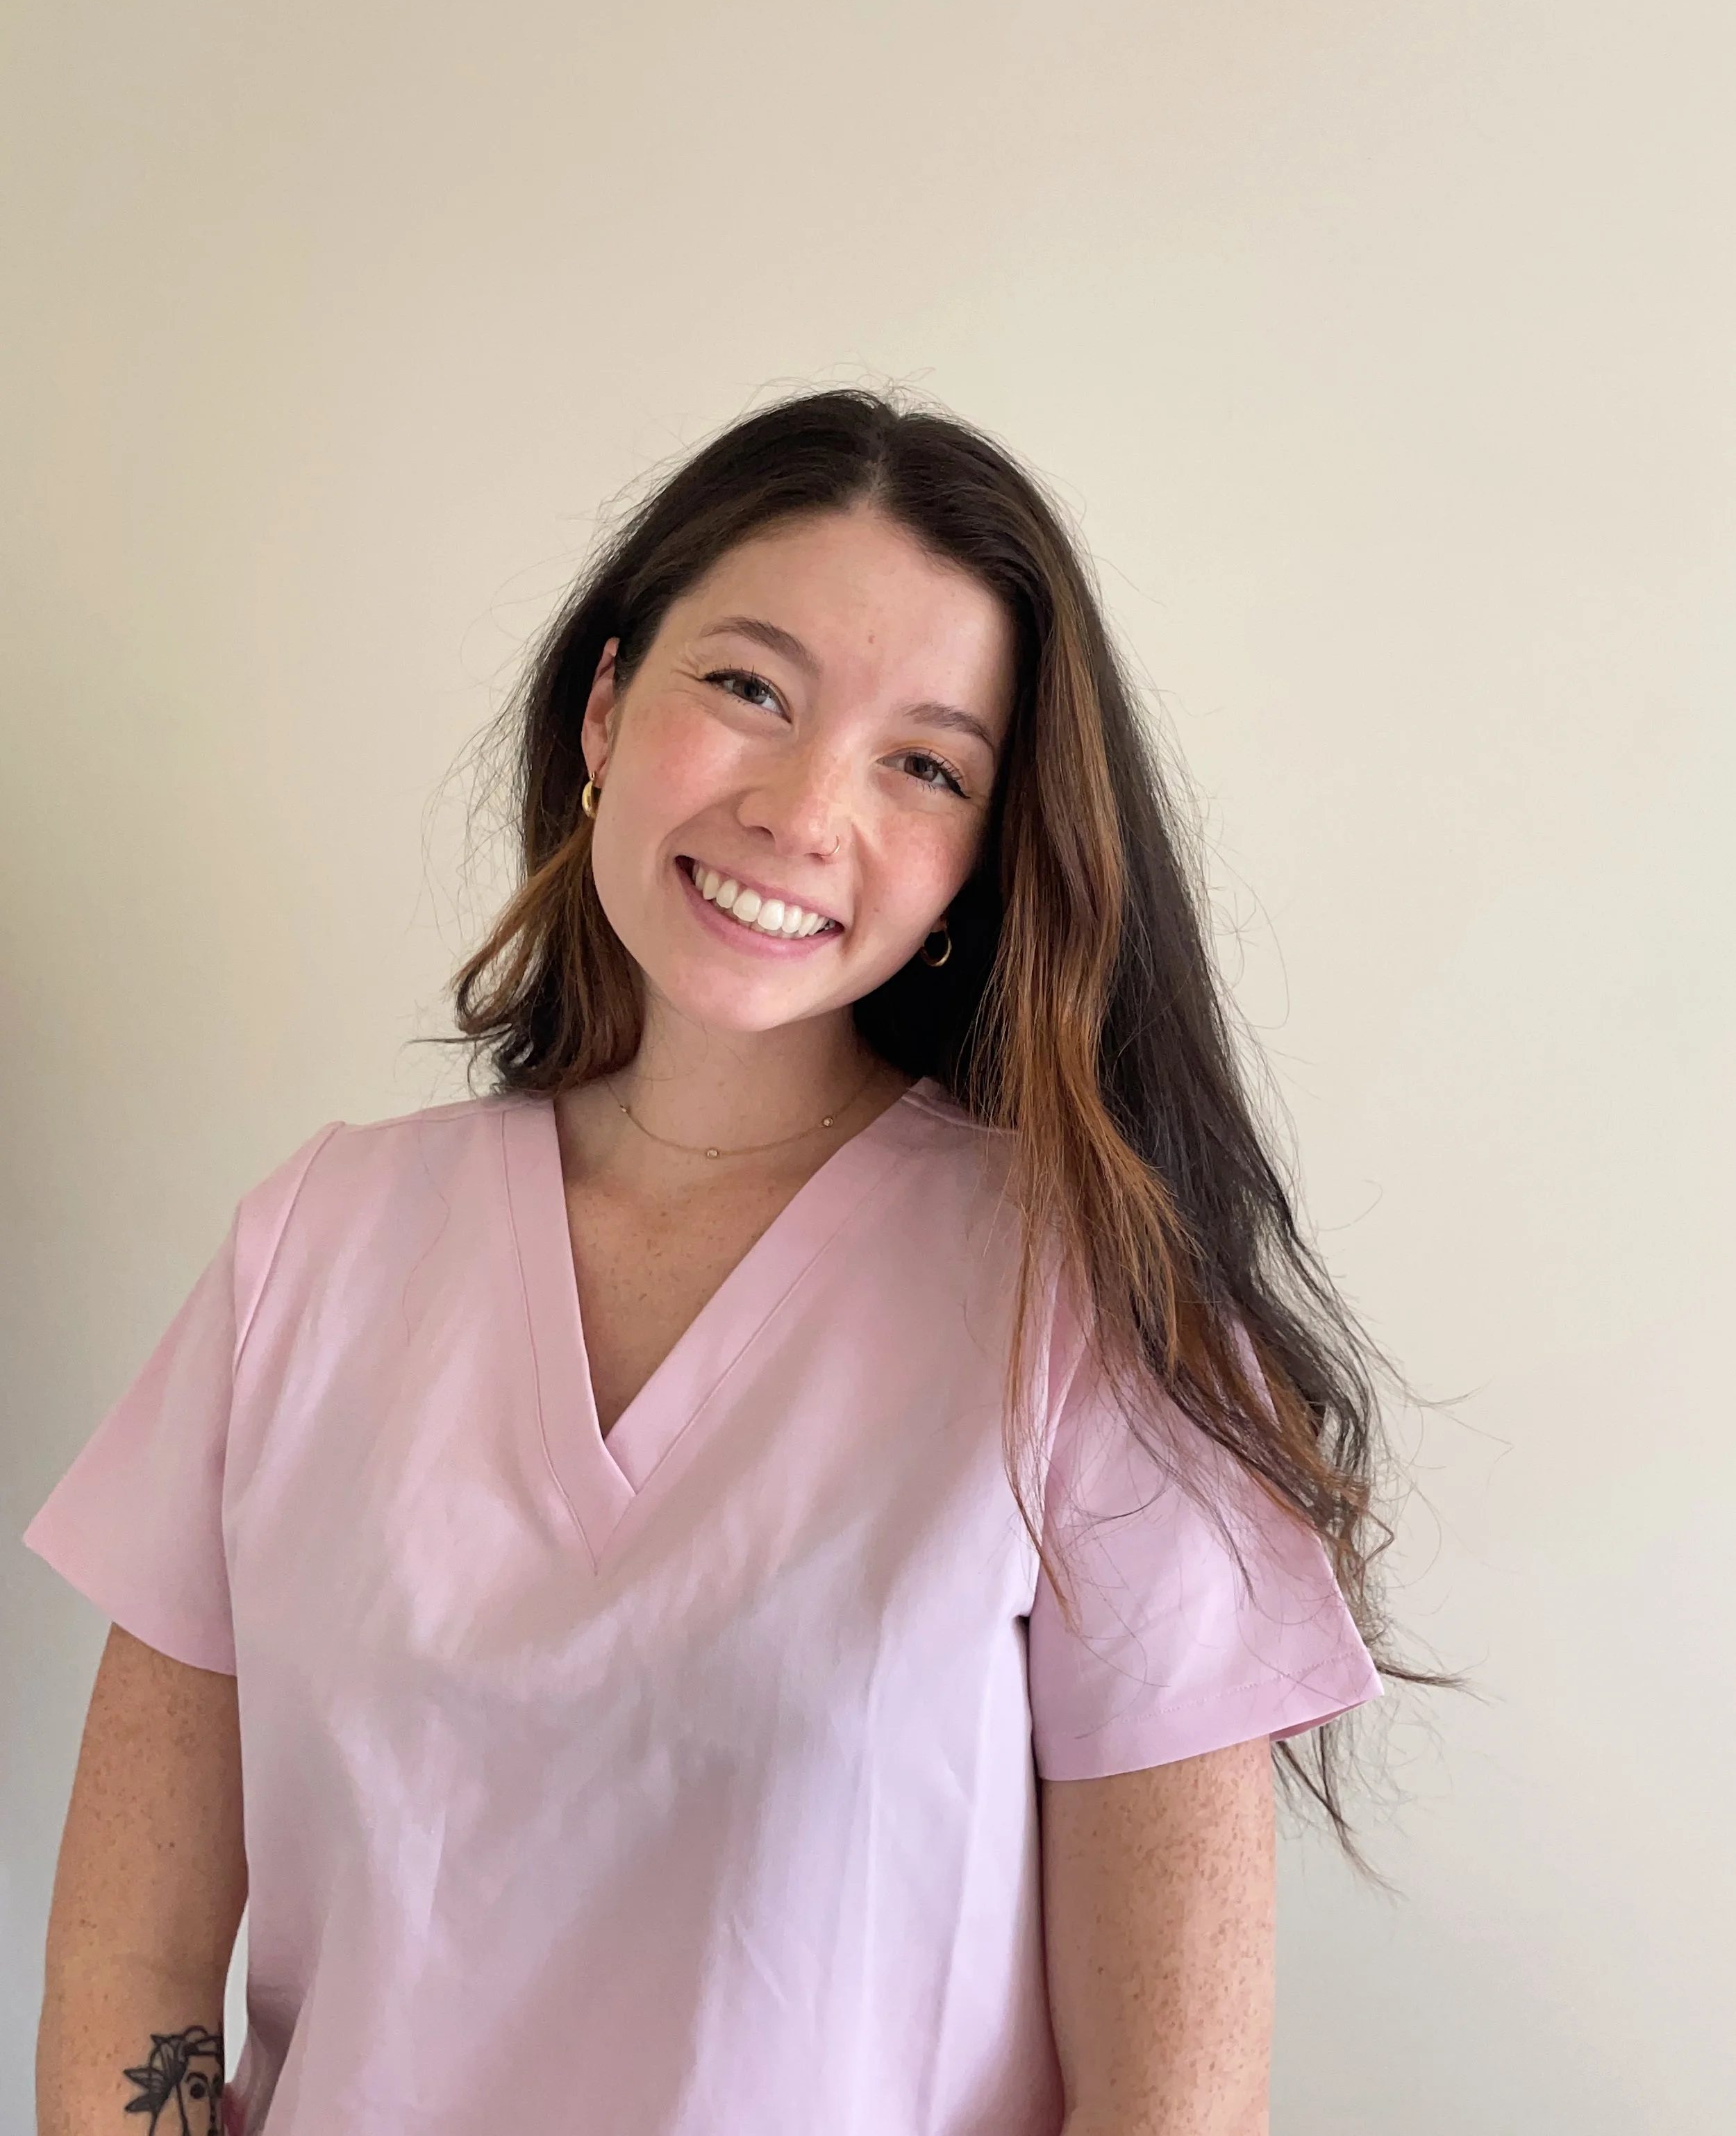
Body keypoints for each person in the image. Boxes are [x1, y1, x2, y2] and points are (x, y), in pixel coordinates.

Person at [26, 388, 1401, 2136]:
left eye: (925, 762)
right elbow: (131, 1973)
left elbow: (1172, 2108)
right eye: (747, 686)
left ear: (980, 851)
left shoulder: (1086, 1309)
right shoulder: (316, 1246)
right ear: (605, 706)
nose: (804, 804)